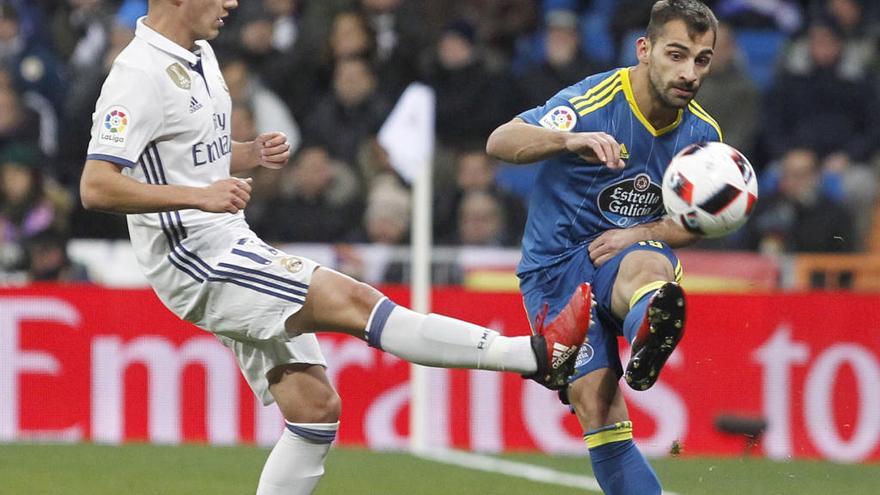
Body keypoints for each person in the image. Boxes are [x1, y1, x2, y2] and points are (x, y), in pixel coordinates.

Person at [77, 1, 591, 494]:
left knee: (315, 410)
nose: (231, 3)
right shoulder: (138, 74)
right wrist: (200, 196)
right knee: (356, 302)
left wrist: (247, 154)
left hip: (226, 239)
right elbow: (96, 186)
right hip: (195, 257)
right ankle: (536, 355)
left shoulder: (202, 55)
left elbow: (187, 153)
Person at [486, 1, 721, 493]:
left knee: (646, 262)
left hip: (623, 256)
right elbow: (500, 141)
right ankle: (644, 335)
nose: (688, 72)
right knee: (597, 403)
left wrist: (639, 232)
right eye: (676, 55)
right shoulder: (594, 101)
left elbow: (695, 223)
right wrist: (567, 140)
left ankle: (646, 338)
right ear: (645, 50)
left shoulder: (703, 137)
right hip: (554, 269)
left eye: (701, 60)